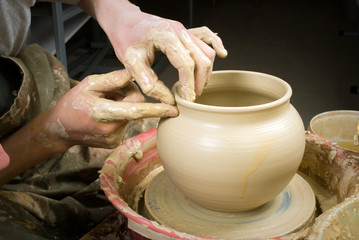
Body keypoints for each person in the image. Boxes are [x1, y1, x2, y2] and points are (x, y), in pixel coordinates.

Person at [0, 0, 227, 239]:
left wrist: (123, 17)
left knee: (178, 139)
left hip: (29, 89)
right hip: (13, 158)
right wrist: (50, 133)